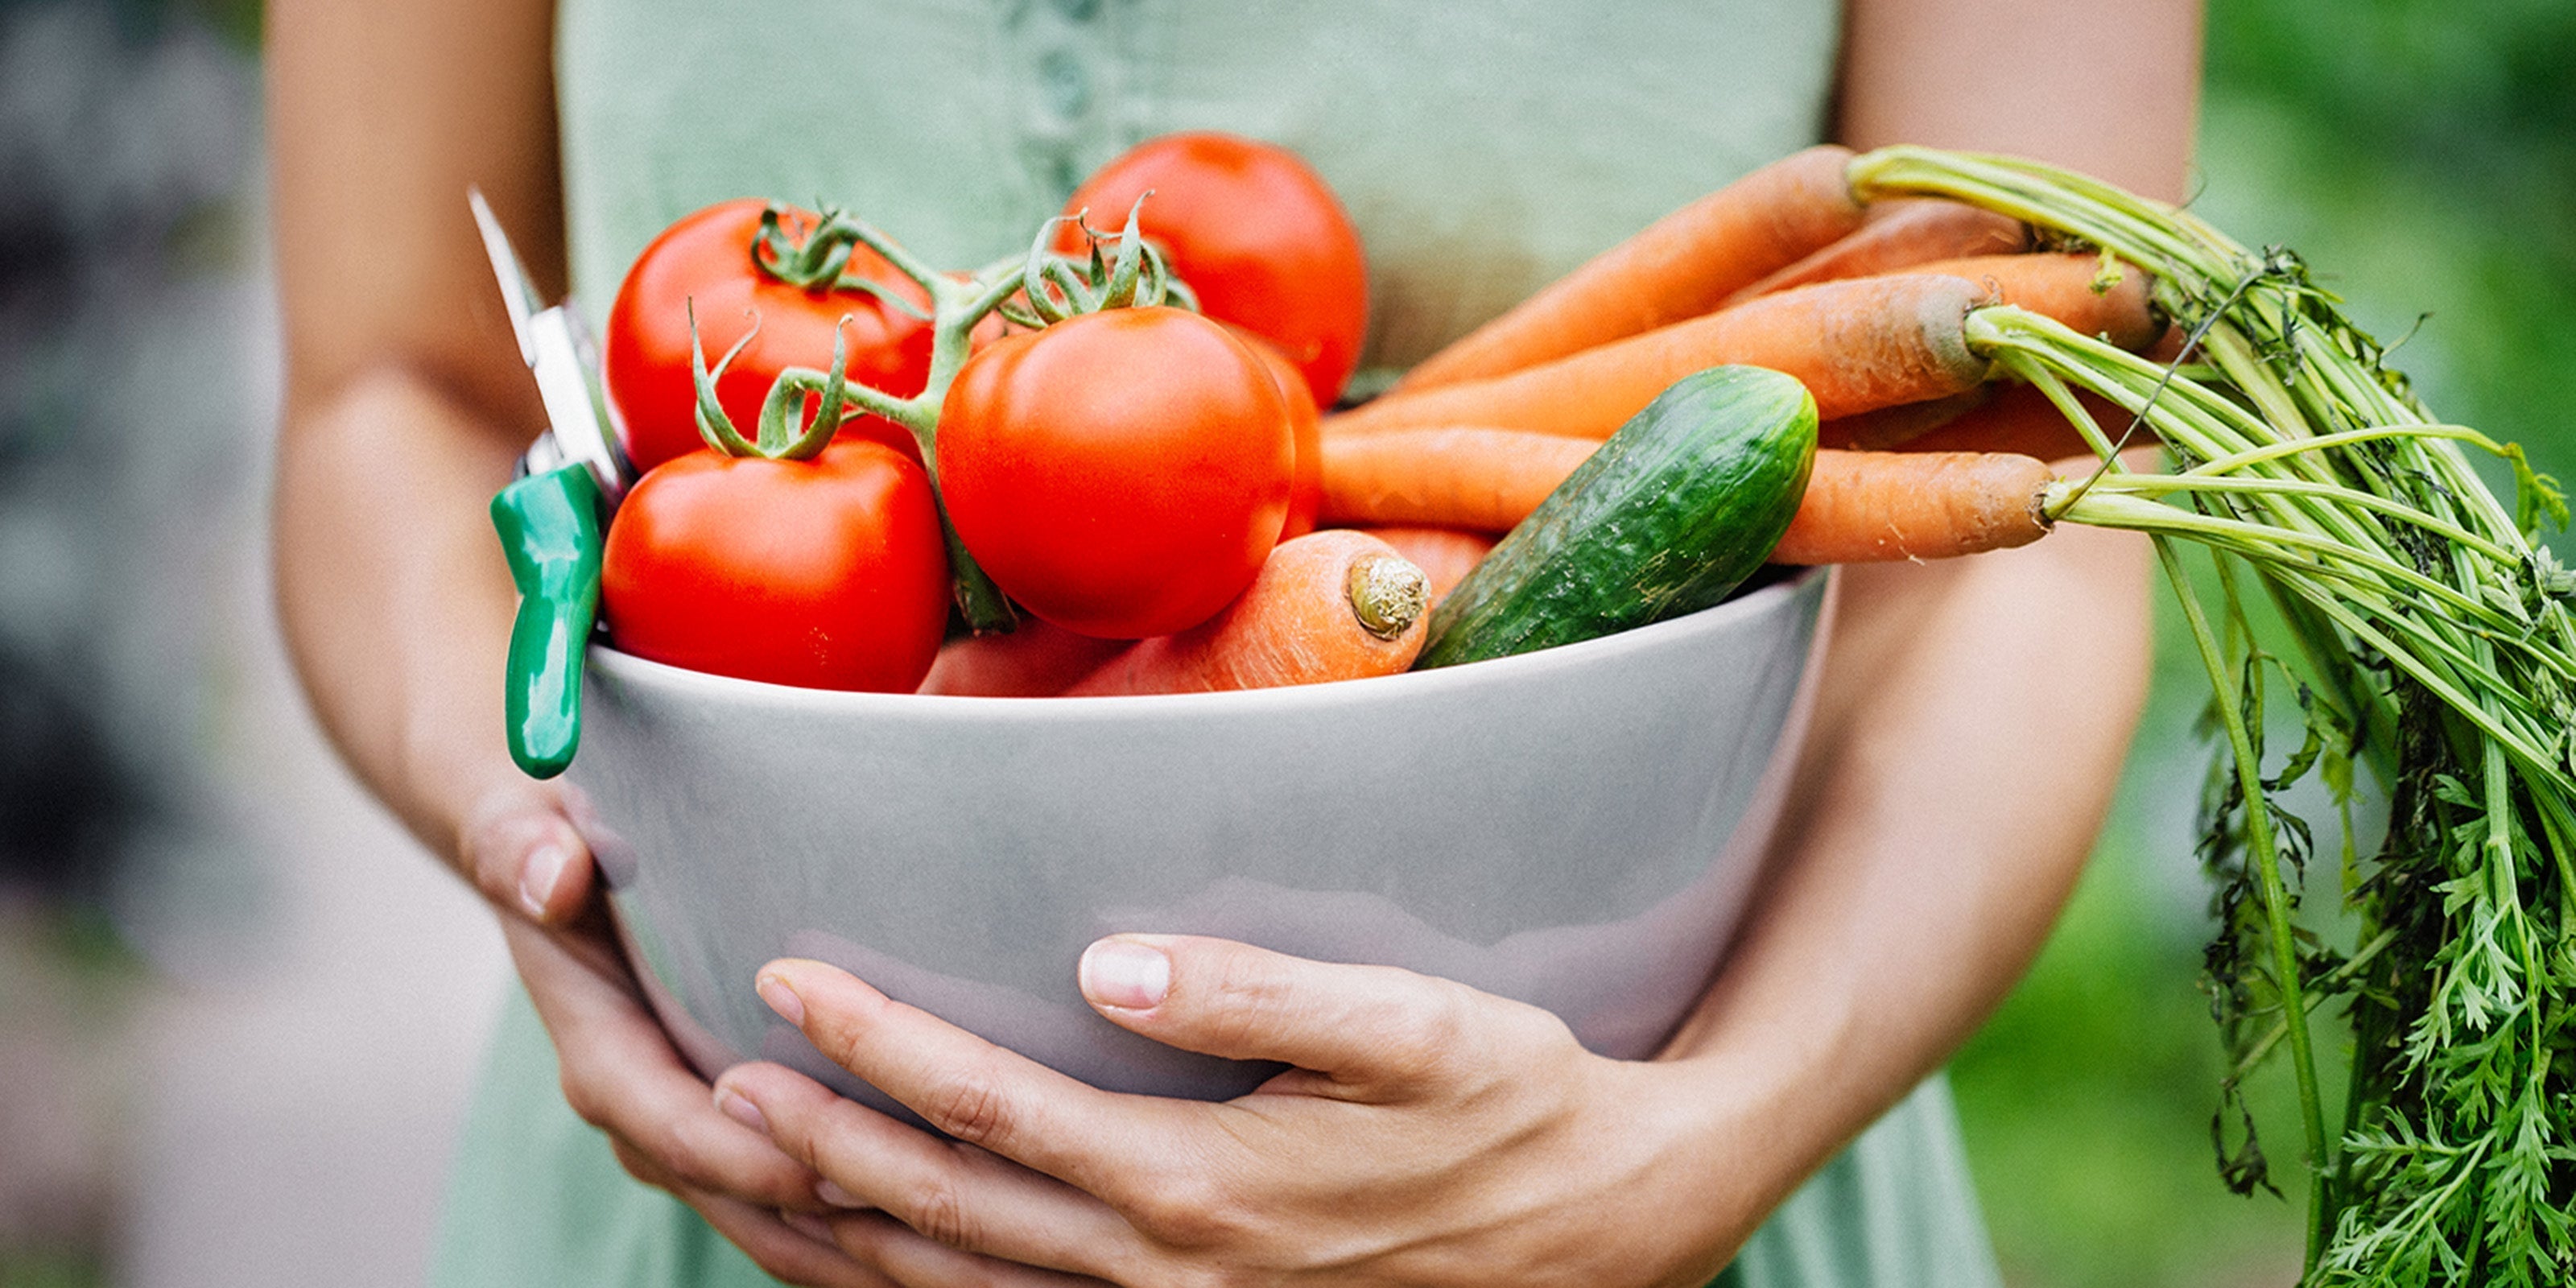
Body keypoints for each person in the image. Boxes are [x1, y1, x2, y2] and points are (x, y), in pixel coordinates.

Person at [267, 0, 2197, 1282]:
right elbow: (386, 389)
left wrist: (1702, 1143)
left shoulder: (1667, 1168)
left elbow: (2049, 526)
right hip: (761, 1162)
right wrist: (526, 821)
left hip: (1609, 1193)